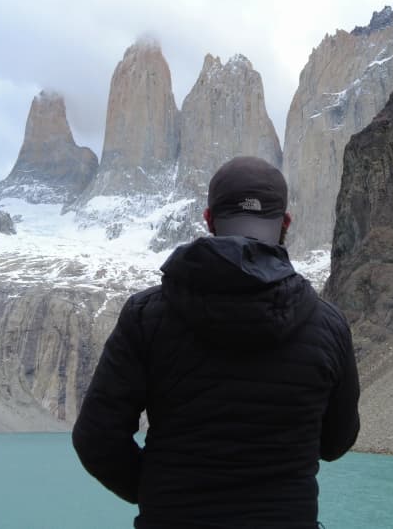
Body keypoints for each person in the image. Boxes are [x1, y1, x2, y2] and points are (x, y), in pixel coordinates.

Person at [72, 155, 360, 528]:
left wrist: (161, 494)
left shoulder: (146, 316)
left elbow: (96, 438)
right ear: (285, 223)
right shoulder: (328, 324)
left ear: (208, 220)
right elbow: (335, 443)